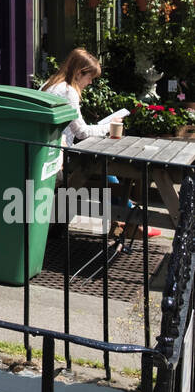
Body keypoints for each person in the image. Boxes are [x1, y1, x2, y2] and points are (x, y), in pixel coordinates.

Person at [40, 49, 158, 246]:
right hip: (58, 161)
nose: (90, 82)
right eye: (90, 77)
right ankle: (129, 221)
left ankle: (125, 220)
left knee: (103, 169)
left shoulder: (49, 84)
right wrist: (109, 126)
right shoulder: (68, 90)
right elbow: (82, 133)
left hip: (45, 154)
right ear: (79, 73)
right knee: (104, 167)